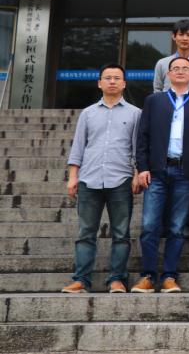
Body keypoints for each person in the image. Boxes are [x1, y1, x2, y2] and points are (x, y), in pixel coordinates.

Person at [62, 64, 141, 294]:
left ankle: (117, 279)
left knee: (121, 234)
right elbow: (79, 146)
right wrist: (73, 176)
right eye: (107, 78)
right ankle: (81, 279)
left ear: (124, 83)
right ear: (99, 83)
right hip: (89, 178)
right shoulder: (88, 113)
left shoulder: (135, 113)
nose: (112, 81)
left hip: (121, 179)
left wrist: (137, 174)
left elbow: (138, 148)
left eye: (117, 78)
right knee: (85, 233)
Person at [132, 56, 189, 293]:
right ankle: (148, 275)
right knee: (149, 225)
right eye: (176, 68)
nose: (181, 71)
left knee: (177, 227)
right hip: (156, 171)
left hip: (185, 172)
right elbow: (142, 136)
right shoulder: (154, 101)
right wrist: (142, 167)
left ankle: (170, 276)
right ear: (168, 74)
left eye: (185, 69)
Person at [153, 19, 189, 96]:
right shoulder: (162, 64)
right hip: (166, 104)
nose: (185, 38)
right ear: (174, 36)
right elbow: (157, 91)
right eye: (181, 34)